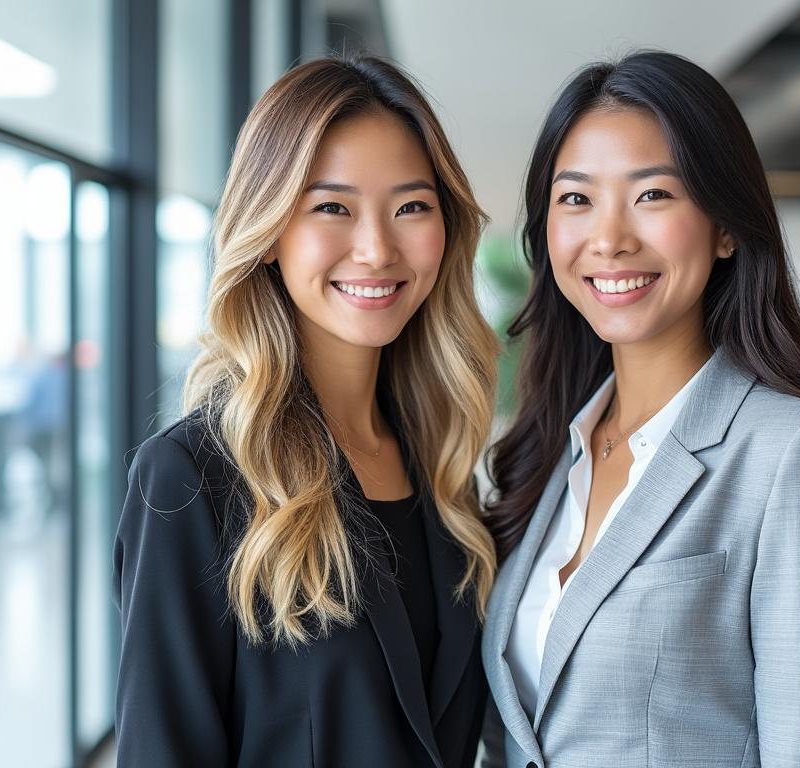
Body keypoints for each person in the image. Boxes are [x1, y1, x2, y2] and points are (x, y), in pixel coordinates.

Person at [481, 51, 800, 768]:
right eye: (576, 198)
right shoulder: (551, 453)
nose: (609, 238)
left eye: (653, 195)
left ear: (726, 227)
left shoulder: (796, 453)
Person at [113, 55, 499, 767]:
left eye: (412, 206)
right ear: (267, 234)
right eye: (332, 208)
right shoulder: (190, 480)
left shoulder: (444, 472)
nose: (378, 248)